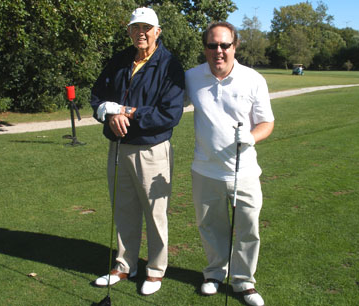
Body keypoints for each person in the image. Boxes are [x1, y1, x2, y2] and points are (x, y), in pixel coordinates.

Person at [90, 7, 184, 296]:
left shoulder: (169, 64)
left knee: (155, 213)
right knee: (123, 208)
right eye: (135, 28)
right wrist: (108, 112)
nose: (140, 33)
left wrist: (126, 113)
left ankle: (155, 271)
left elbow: (170, 114)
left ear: (158, 31)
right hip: (118, 147)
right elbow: (97, 95)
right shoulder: (120, 60)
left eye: (147, 28)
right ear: (129, 31)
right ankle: (124, 264)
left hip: (152, 150)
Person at [184, 22, 274, 306]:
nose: (218, 51)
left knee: (248, 228)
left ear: (235, 47)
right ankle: (213, 274)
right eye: (212, 45)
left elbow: (267, 122)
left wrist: (250, 137)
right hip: (205, 170)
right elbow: (166, 104)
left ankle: (244, 282)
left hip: (243, 170)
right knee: (210, 226)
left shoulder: (253, 79)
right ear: (205, 48)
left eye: (225, 45)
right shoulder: (191, 77)